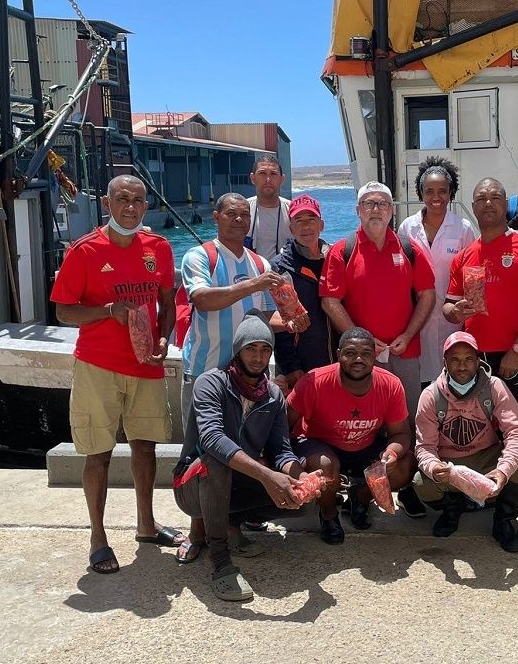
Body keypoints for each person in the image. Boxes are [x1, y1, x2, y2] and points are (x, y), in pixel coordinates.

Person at [50, 174, 183, 575]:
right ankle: (98, 537)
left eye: (138, 200)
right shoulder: (85, 250)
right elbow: (63, 310)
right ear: (107, 203)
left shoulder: (157, 248)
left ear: (146, 205)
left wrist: (164, 339)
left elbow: (166, 301)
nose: (131, 206)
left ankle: (146, 524)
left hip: (145, 365)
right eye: (122, 199)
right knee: (98, 455)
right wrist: (108, 311)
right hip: (98, 366)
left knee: (146, 447)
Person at [173, 311, 309, 601]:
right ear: (237, 350)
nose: (258, 357)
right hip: (192, 486)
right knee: (216, 462)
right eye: (250, 348)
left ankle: (231, 527)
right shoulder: (211, 383)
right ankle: (220, 559)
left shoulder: (273, 396)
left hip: (236, 482)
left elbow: (281, 450)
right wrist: (269, 476)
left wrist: (301, 478)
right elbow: (211, 439)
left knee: (300, 502)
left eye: (264, 350)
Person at [320, 181, 436, 518]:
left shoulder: (410, 249)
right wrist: (364, 343)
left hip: (404, 352)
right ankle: (363, 495)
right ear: (358, 211)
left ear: (392, 211)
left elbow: (427, 295)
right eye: (369, 203)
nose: (376, 209)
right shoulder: (342, 250)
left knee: (408, 425)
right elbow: (330, 301)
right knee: (367, 428)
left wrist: (408, 333)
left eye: (382, 203)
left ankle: (405, 485)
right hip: (361, 360)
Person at [445, 177, 518, 540]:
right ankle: (495, 496)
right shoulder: (465, 255)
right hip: (475, 362)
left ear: (506, 204)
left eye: (495, 197)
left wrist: (517, 350)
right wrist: (453, 311)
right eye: (481, 198)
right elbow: (449, 305)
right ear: (472, 207)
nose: (487, 203)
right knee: (487, 433)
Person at [180, 193, 308, 422]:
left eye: (244, 215)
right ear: (216, 217)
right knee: (199, 450)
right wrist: (253, 284)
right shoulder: (199, 256)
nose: (238, 219)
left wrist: (289, 323)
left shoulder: (260, 263)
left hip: (250, 376)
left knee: (246, 444)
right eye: (231, 214)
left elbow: (266, 316)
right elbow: (202, 299)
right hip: (205, 371)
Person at [288, 328, 417, 543]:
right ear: (338, 355)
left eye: (366, 354)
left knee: (407, 464)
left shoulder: (390, 384)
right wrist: (289, 464)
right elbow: (283, 424)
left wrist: (392, 453)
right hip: (319, 444)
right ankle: (329, 516)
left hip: (365, 445)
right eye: (350, 353)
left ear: (375, 356)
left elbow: (401, 433)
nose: (358, 359)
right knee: (325, 465)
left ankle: (361, 497)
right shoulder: (314, 381)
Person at [413, 332, 518, 552]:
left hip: (486, 456)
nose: (462, 366)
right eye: (455, 359)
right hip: (449, 463)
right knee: (422, 484)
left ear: (478, 361)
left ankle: (503, 522)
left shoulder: (494, 386)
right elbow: (424, 446)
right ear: (445, 362)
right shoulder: (430, 395)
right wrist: (433, 467)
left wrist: (503, 471)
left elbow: (516, 431)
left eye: (468, 359)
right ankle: (453, 509)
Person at [398, 157, 477, 384]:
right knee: (420, 380)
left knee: (451, 378)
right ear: (420, 193)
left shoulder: (463, 229)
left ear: (451, 192)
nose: (436, 197)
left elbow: (471, 275)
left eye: (442, 191)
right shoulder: (407, 227)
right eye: (429, 191)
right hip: (416, 317)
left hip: (452, 316)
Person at [270, 194, 334, 390]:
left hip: (336, 361)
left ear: (321, 224)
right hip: (300, 367)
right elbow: (280, 322)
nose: (306, 227)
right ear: (291, 228)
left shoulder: (336, 259)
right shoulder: (280, 268)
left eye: (311, 220)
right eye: (299, 220)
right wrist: (290, 367)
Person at [244, 154, 292, 257]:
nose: (268, 179)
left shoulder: (293, 211)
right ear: (252, 178)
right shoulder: (242, 210)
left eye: (273, 174)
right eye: (262, 173)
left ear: (282, 179)